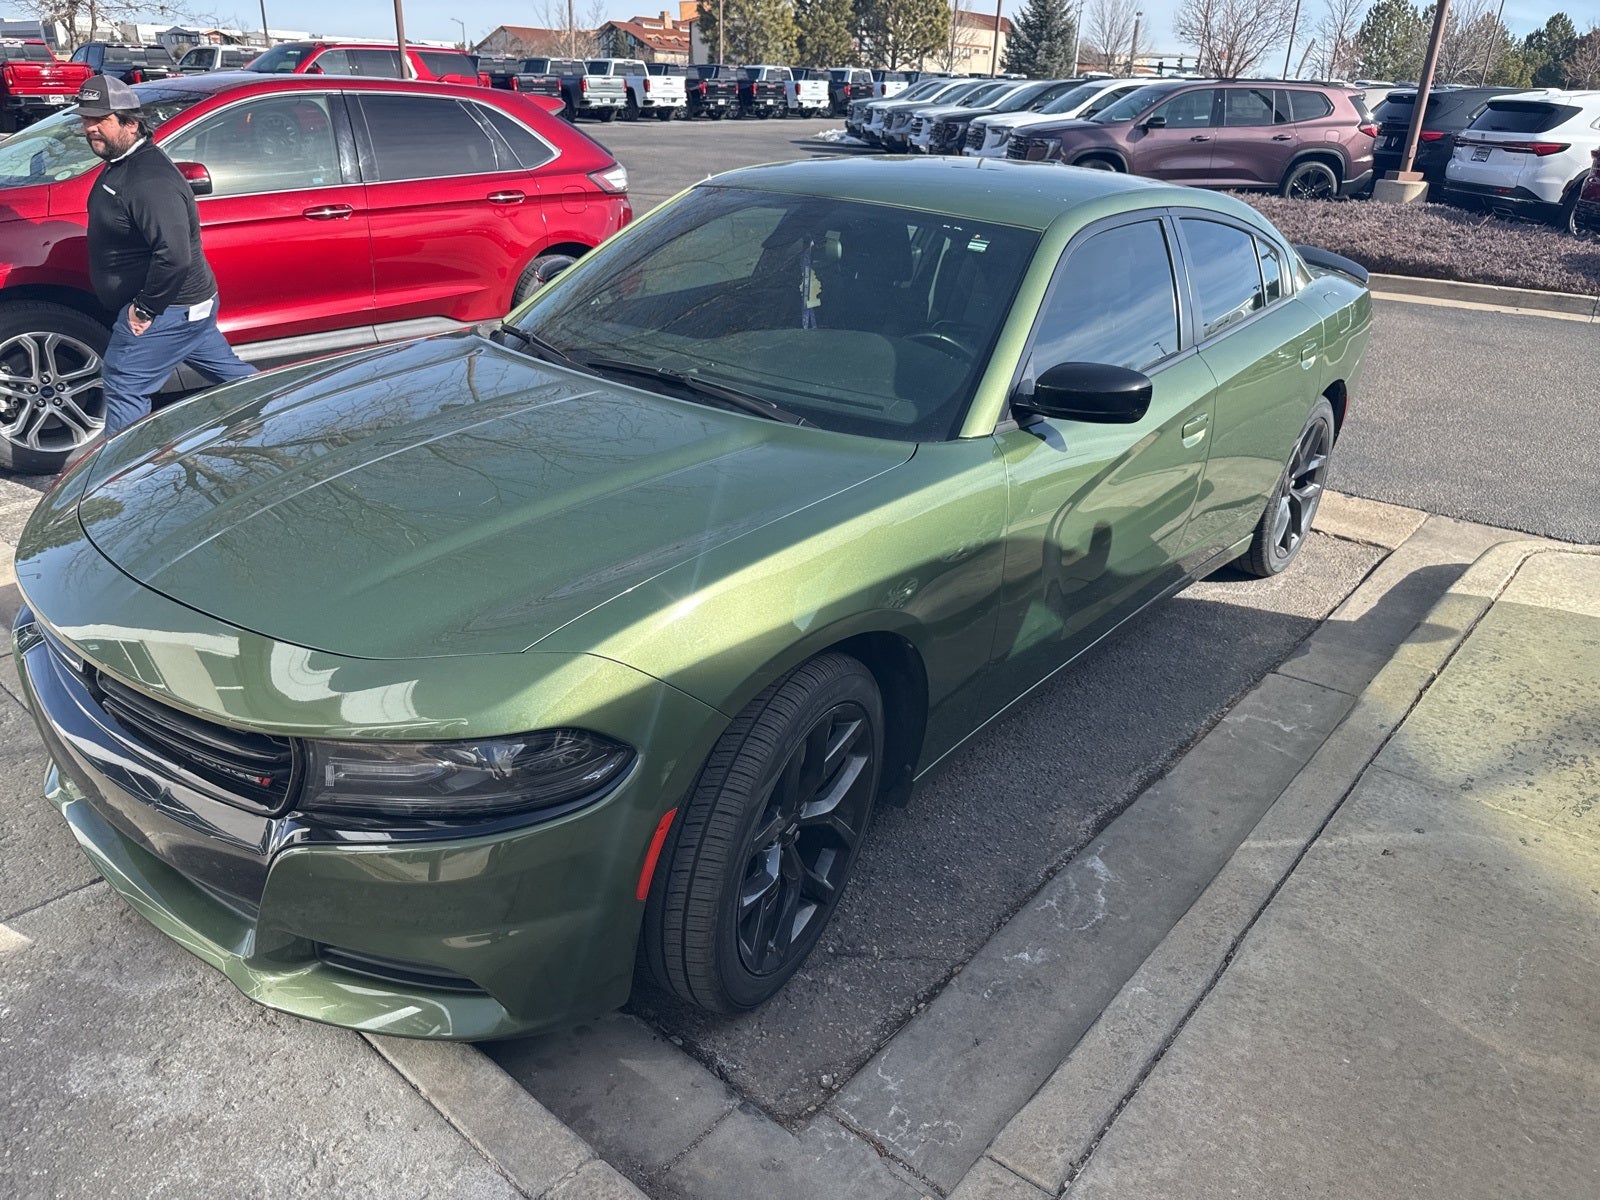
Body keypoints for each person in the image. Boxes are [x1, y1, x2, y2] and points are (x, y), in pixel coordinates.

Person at [77, 74, 254, 446]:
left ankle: (125, 480)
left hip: (168, 308)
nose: (90, 128)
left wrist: (145, 310)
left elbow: (174, 256)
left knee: (124, 380)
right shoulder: (124, 162)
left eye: (101, 120)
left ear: (130, 122)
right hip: (189, 308)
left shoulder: (149, 180)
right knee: (230, 374)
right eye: (86, 119)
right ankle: (272, 410)